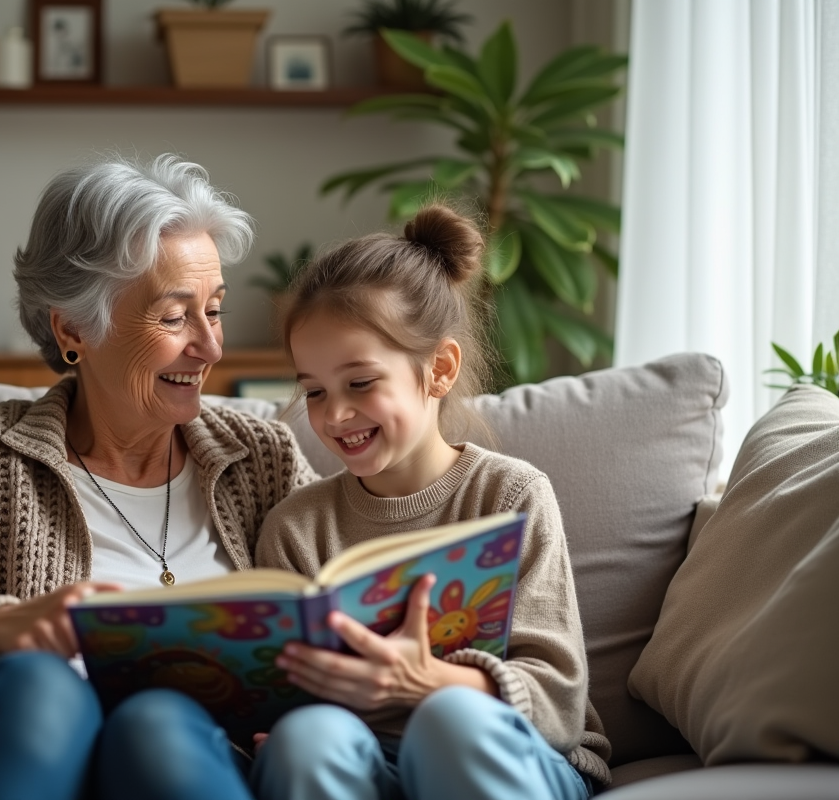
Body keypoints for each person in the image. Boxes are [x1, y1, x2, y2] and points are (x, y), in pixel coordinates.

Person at [0, 154, 316, 800]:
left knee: (159, 721)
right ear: (73, 327)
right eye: (174, 317)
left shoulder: (264, 459)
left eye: (214, 310)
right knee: (41, 685)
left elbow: (352, 612)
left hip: (188, 761)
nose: (210, 346)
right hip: (1, 746)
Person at [250, 203, 612, 800]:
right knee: (307, 739)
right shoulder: (297, 528)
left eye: (360, 382)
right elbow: (282, 690)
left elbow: (558, 701)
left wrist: (423, 681)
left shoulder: (511, 496)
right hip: (371, 764)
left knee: (449, 719)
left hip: (515, 755)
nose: (334, 415)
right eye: (313, 390)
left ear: (438, 369)